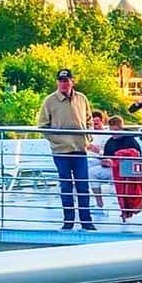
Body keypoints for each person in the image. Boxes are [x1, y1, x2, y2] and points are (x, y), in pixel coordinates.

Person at [37, 69, 96, 231]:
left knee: (83, 185)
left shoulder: (81, 98)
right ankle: (68, 220)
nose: (63, 84)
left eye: (66, 81)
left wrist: (88, 137)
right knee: (66, 186)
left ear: (72, 81)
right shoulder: (49, 101)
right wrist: (57, 141)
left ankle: (86, 220)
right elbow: (42, 126)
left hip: (80, 149)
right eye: (60, 81)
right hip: (61, 151)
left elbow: (89, 120)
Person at [86, 111, 111, 209]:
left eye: (97, 123)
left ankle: (98, 201)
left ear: (102, 121)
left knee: (89, 169)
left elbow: (110, 153)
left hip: (101, 159)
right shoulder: (88, 133)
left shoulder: (108, 134)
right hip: (87, 158)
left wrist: (99, 151)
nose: (95, 126)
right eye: (93, 124)